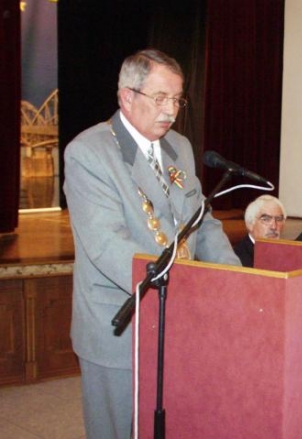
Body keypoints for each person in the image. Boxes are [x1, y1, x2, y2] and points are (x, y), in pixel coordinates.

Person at [63, 49, 241, 439]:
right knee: (117, 430)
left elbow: (203, 221)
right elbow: (107, 244)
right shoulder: (89, 152)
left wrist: (235, 280)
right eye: (160, 98)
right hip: (121, 322)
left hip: (178, 317)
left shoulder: (179, 146)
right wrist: (184, 284)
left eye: (177, 99)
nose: (171, 110)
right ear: (127, 97)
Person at [233, 195, 286, 267]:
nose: (274, 227)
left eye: (279, 219)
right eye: (266, 219)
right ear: (250, 224)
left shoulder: (287, 253)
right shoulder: (238, 259)